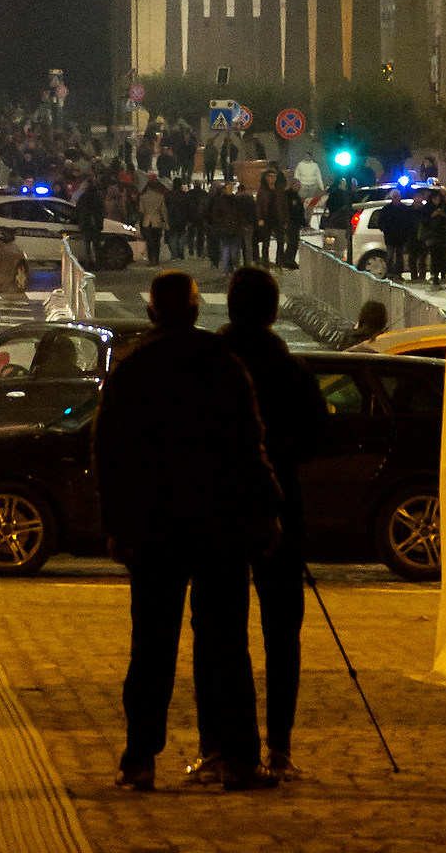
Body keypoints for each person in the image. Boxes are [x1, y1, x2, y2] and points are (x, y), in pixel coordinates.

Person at [93, 269, 281, 793]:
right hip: (220, 523)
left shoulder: (133, 366)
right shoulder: (221, 361)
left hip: (154, 526)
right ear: (197, 310)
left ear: (151, 311)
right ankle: (239, 758)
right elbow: (248, 442)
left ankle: (139, 759)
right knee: (227, 645)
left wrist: (116, 524)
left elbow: (108, 452)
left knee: (151, 646)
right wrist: (267, 509)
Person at [218, 265, 335, 782]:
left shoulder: (214, 366)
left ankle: (223, 745)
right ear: (272, 312)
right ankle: (279, 746)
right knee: (282, 633)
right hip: (282, 504)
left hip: (219, 508)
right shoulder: (291, 371)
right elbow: (320, 438)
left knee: (222, 631)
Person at [137, 177, 168, 265]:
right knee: (157, 241)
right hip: (157, 221)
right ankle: (156, 259)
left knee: (149, 242)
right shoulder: (160, 197)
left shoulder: (143, 197)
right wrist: (166, 222)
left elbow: (141, 211)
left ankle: (151, 259)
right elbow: (164, 211)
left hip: (147, 221)